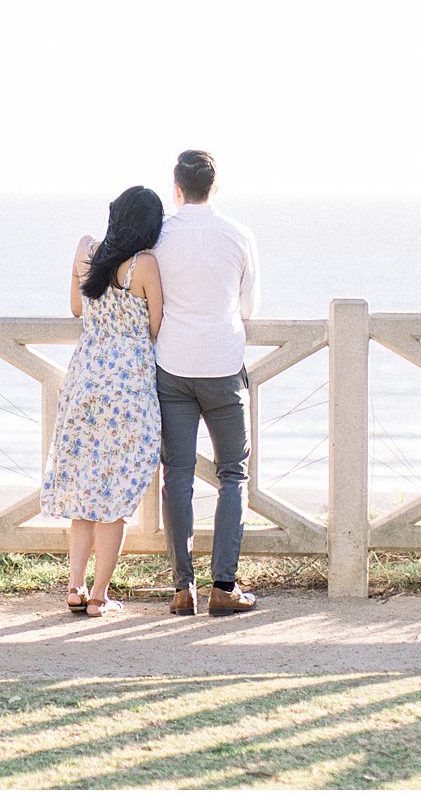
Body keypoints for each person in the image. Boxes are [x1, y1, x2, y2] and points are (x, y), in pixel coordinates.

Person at [39, 185, 166, 617]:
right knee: (115, 496)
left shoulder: (85, 249)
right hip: (127, 386)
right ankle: (99, 596)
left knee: (84, 491)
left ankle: (74, 588)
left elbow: (77, 307)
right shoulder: (144, 264)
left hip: (85, 378)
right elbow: (156, 325)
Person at [151, 149, 261, 615]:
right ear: (214, 187)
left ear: (176, 186)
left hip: (173, 366)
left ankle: (183, 588)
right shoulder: (239, 235)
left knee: (176, 474)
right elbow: (249, 308)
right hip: (222, 366)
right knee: (232, 474)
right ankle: (224, 585)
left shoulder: (157, 236)